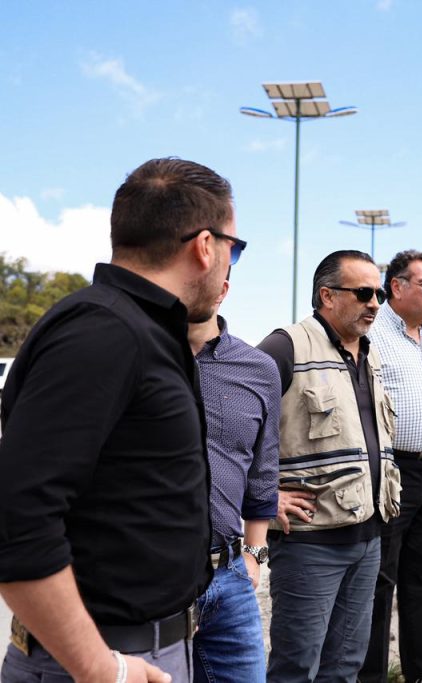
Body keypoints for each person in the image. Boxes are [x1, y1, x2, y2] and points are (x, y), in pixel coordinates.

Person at [0, 157, 239, 682]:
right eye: (233, 250)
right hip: (95, 663)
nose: (229, 266)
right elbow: (16, 520)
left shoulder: (145, 331)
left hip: (147, 651)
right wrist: (101, 669)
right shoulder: (106, 331)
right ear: (204, 246)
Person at [257, 250, 401, 683]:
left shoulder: (370, 354)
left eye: (377, 293)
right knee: (296, 666)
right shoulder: (285, 347)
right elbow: (231, 432)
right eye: (363, 293)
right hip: (310, 544)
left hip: (368, 537)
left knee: (344, 666)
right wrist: (267, 497)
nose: (375, 302)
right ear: (327, 295)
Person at [361, 250, 422, 683]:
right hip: (390, 470)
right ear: (396, 287)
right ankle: (373, 675)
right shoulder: (372, 335)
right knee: (380, 579)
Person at [188, 275, 280, 683]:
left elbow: (263, 468)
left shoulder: (258, 369)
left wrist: (255, 554)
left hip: (229, 576)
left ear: (223, 289)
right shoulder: (140, 357)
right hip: (158, 578)